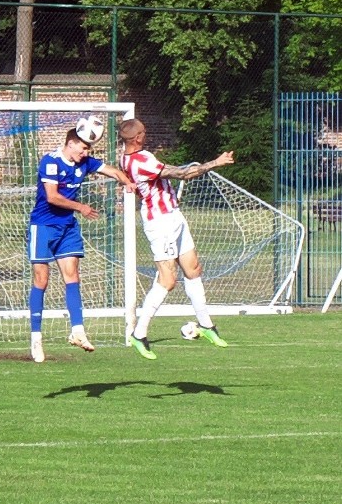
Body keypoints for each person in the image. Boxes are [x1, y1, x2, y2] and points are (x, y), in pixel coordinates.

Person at [118, 118, 234, 359]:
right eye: (144, 131)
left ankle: (206, 325)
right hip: (160, 222)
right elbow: (183, 174)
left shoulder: (128, 157)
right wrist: (216, 162)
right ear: (138, 137)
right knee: (167, 280)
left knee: (193, 269)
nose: (146, 134)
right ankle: (139, 334)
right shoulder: (142, 160)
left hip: (173, 216)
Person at [28, 116, 135, 363]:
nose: (87, 153)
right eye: (84, 147)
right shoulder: (51, 162)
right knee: (41, 280)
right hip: (43, 226)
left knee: (73, 276)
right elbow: (53, 197)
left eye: (89, 149)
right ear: (72, 143)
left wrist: (128, 183)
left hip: (67, 228)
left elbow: (113, 171)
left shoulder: (84, 163)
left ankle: (77, 331)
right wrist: (81, 207)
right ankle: (36, 337)